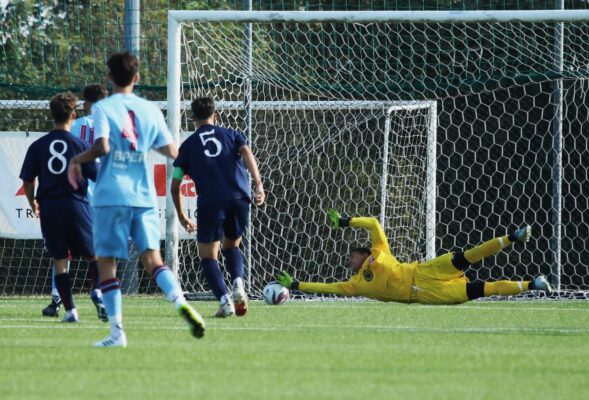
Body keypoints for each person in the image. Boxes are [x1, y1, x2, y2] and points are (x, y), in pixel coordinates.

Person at [68, 51, 205, 347]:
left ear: (109, 77)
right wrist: (196, 170)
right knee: (153, 260)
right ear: (137, 77)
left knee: (107, 264)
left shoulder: (103, 108)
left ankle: (117, 333)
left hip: (110, 195)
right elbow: (173, 152)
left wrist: (78, 159)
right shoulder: (151, 110)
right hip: (142, 196)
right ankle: (180, 301)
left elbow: (102, 146)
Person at [277, 209, 553, 304]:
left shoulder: (379, 251)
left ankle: (512, 237)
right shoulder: (356, 285)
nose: (349, 262)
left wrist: (347, 222)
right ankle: (534, 284)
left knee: (468, 256)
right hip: (422, 295)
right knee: (482, 289)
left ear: (363, 253)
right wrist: (297, 285)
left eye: (351, 257)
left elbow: (373, 223)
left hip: (424, 270)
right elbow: (327, 288)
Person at [171, 97, 265, 318]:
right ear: (216, 115)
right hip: (239, 198)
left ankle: (225, 301)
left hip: (210, 202)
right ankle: (238, 283)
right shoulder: (232, 135)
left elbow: (175, 184)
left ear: (192, 118)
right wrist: (259, 185)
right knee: (232, 245)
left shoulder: (187, 146)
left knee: (207, 256)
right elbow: (247, 153)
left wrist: (182, 215)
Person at [20, 92, 102, 323]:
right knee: (94, 254)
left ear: (51, 114)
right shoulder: (81, 145)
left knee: (60, 259)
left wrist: (32, 202)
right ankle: (96, 291)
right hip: (77, 205)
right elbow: (97, 175)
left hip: (50, 207)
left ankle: (70, 310)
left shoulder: (38, 145)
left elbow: (27, 181)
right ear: (74, 115)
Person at [42, 84, 109, 320]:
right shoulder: (110, 126)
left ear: (83, 105)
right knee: (97, 250)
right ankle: (98, 292)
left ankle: (57, 300)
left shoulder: (77, 127)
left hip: (74, 193)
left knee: (61, 252)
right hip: (98, 195)